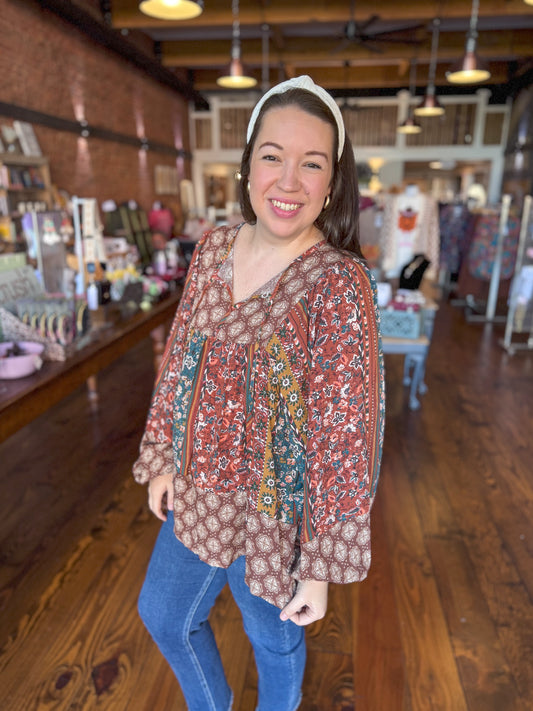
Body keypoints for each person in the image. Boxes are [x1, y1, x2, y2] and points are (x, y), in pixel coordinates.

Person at [133, 75, 385, 711]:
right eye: (273, 156)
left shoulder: (339, 282)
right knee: (164, 615)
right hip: (199, 486)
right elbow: (180, 359)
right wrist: (163, 454)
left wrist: (322, 566)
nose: (290, 181)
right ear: (248, 167)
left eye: (312, 163)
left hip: (279, 516)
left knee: (270, 640)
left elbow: (345, 436)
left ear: (332, 183)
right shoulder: (215, 249)